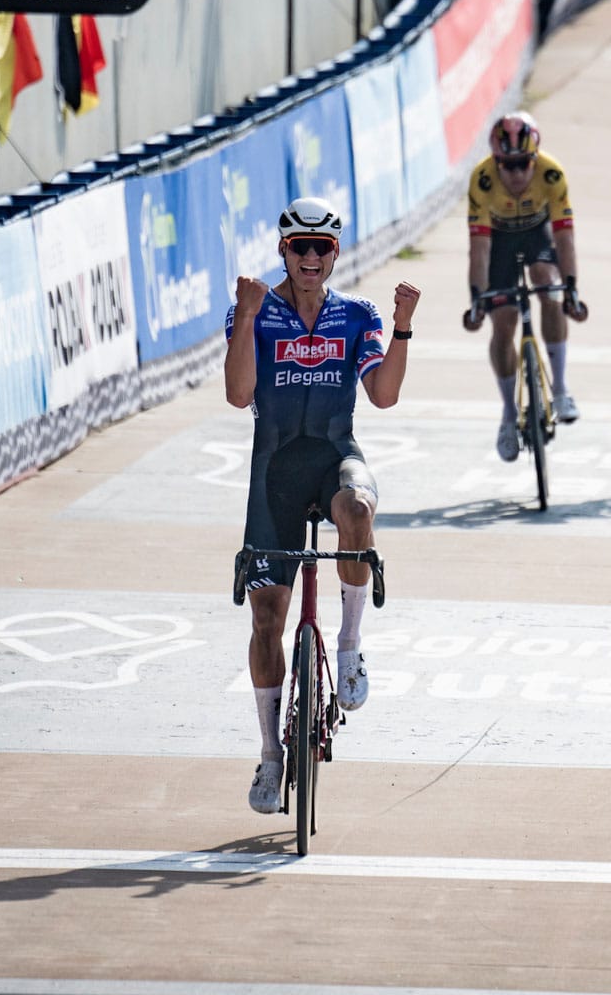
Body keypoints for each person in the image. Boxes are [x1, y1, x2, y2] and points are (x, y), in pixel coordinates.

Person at [223, 196, 419, 816]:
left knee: (359, 509)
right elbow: (238, 395)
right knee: (266, 622)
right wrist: (250, 318)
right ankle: (270, 756)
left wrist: (403, 325)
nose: (311, 258)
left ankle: (352, 645)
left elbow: (383, 397)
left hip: (335, 453)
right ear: (283, 249)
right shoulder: (253, 309)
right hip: (273, 472)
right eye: (300, 247)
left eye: (323, 248)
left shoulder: (356, 315)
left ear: (336, 252)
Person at [460, 111, 588, 460]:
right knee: (502, 324)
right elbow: (480, 249)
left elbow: (565, 239)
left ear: (534, 158)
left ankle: (560, 390)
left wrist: (571, 288)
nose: (516, 173)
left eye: (522, 164)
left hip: (536, 234)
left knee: (548, 284)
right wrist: (477, 300)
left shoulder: (551, 173)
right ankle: (508, 413)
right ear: (496, 161)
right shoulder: (482, 180)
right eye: (507, 165)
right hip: (499, 240)